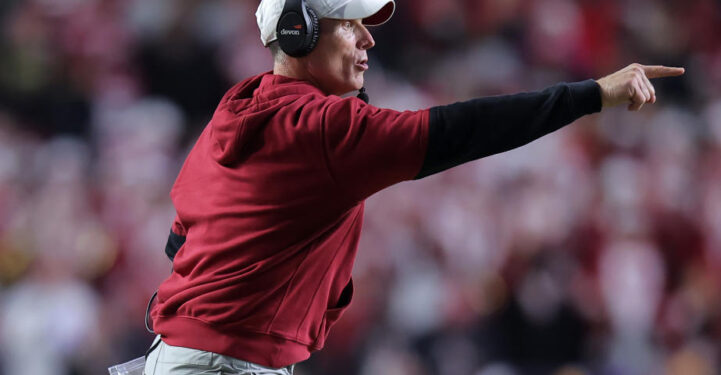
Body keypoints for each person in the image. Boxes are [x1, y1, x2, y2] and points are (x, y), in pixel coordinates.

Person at [142, 0, 685, 374]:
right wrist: (592, 94)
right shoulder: (322, 128)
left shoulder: (239, 105)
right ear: (297, 32)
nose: (368, 37)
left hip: (195, 355)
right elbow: (461, 130)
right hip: (225, 363)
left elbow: (179, 239)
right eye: (350, 23)